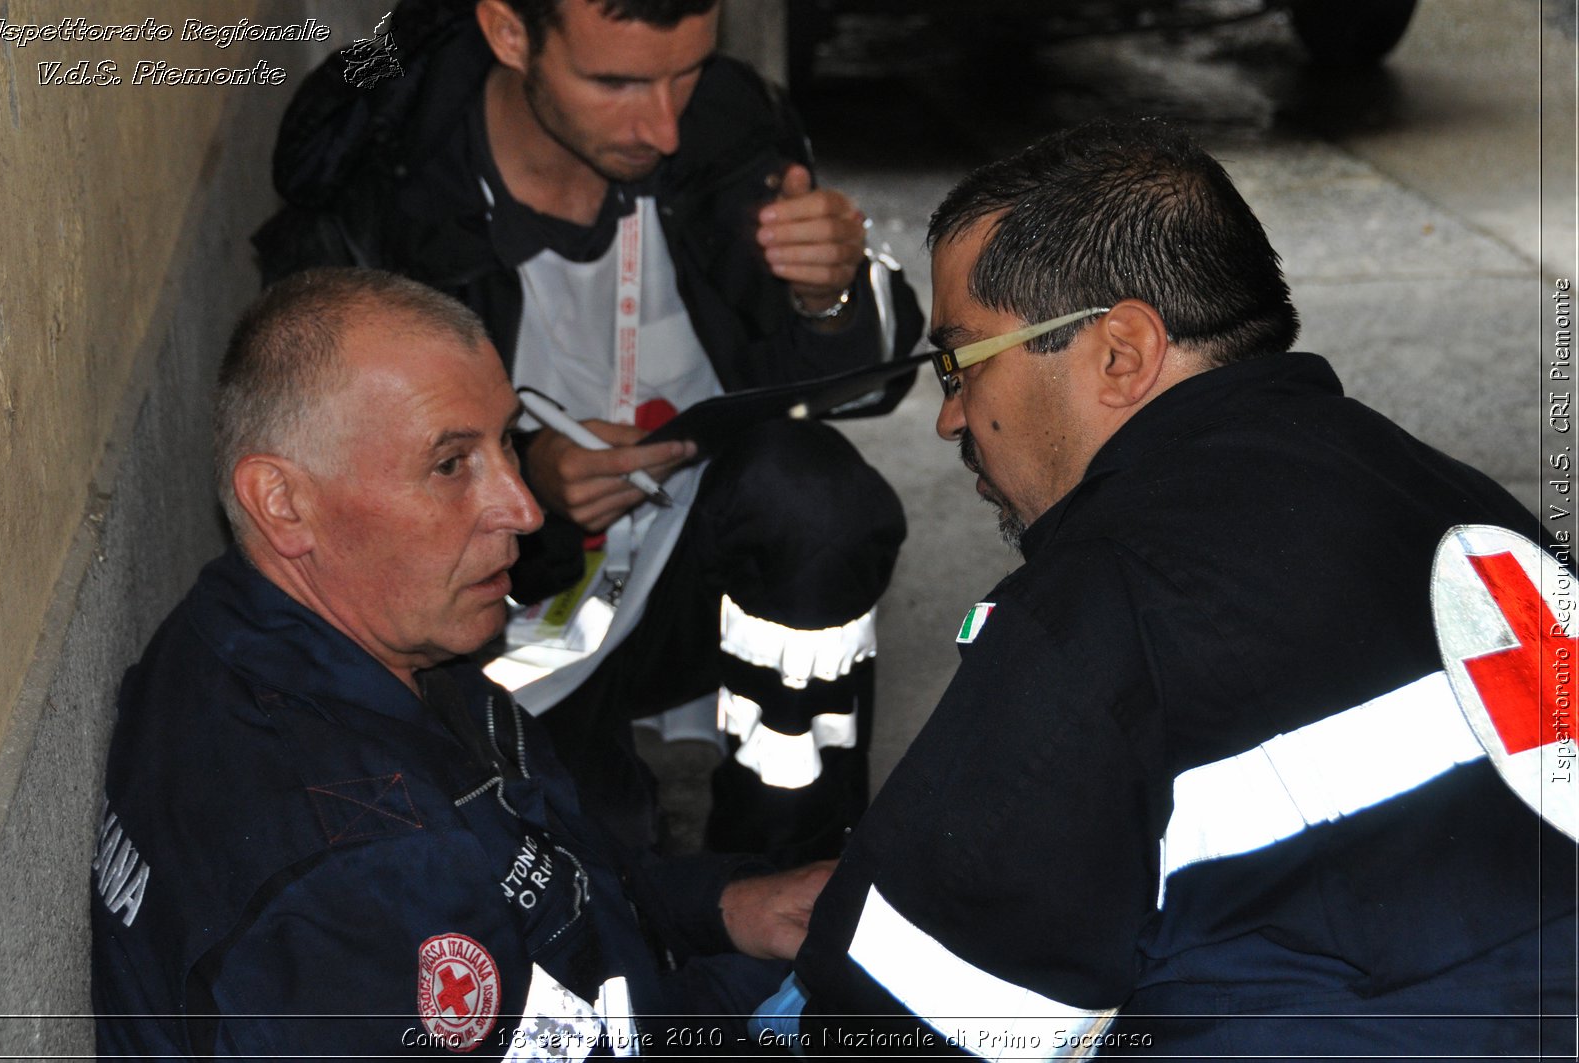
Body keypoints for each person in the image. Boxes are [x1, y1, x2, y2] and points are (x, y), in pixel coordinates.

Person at [772, 119, 1577, 1057]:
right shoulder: (1466, 506)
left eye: (959, 360)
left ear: (1121, 352)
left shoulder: (1099, 615)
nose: (952, 414)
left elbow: (895, 1025)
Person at [90, 268, 834, 1059]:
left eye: (505, 440)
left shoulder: (273, 635)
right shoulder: (356, 882)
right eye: (450, 464)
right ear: (282, 502)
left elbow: (554, 880)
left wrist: (724, 904)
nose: (522, 507)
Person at [254, 0, 922, 868]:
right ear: (509, 35)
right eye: (615, 82)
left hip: (696, 570)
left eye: (685, 71)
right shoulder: (386, 201)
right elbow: (352, 507)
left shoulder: (728, 126)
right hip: (511, 613)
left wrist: (827, 293)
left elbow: (851, 386)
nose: (664, 124)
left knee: (816, 498)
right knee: (599, 857)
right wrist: (520, 479)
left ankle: (791, 863)